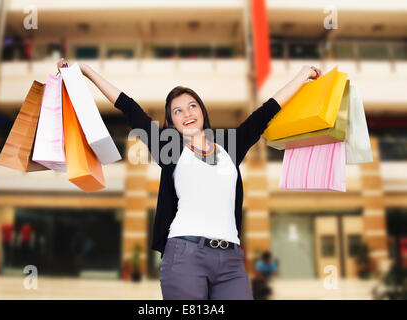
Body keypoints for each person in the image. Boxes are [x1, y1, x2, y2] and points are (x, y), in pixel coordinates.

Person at [56, 58, 321, 300]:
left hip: (230, 260)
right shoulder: (168, 149)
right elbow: (129, 107)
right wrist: (88, 72)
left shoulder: (230, 145)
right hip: (185, 256)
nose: (187, 113)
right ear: (171, 122)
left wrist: (303, 75)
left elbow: (267, 110)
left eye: (192, 105)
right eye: (178, 111)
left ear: (203, 110)